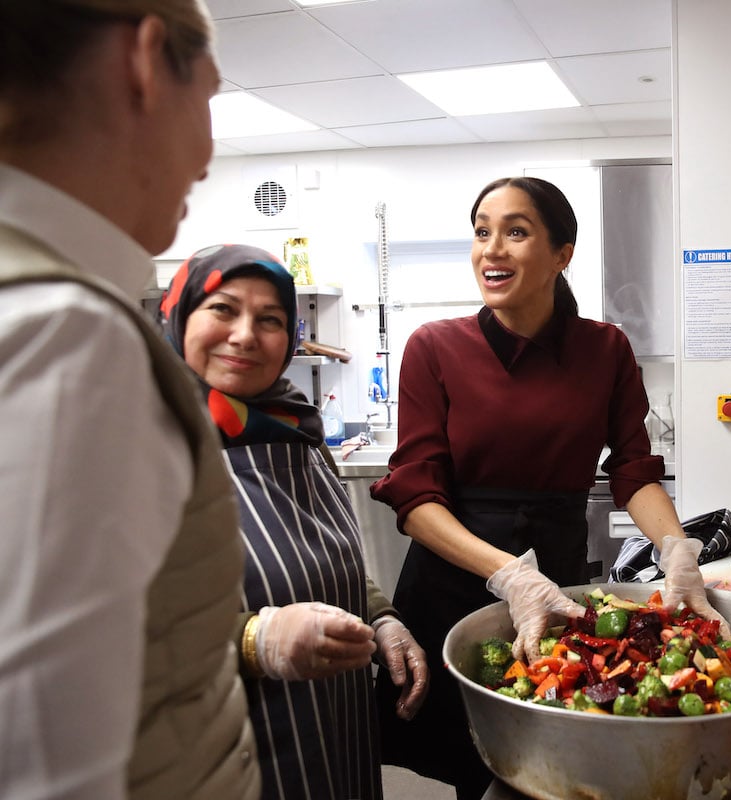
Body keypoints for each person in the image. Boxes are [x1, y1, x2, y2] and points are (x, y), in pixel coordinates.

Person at [369, 175, 730, 799]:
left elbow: (633, 470)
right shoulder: (433, 347)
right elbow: (417, 499)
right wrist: (509, 576)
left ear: (562, 254)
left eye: (515, 231)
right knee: (472, 764)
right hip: (457, 578)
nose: (492, 250)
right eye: (482, 232)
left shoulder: (606, 349)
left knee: (555, 762)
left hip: (557, 578)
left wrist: (677, 549)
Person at [0, 2, 261, 798]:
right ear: (146, 62)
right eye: (209, 97)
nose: (210, 157)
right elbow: (49, 771)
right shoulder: (67, 337)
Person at [160, 243, 430, 800]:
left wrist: (380, 617)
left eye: (270, 319)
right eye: (223, 310)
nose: (245, 335)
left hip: (337, 724)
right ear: (180, 315)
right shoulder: (145, 447)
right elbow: (118, 638)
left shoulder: (298, 430)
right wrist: (255, 641)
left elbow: (326, 551)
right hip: (229, 744)